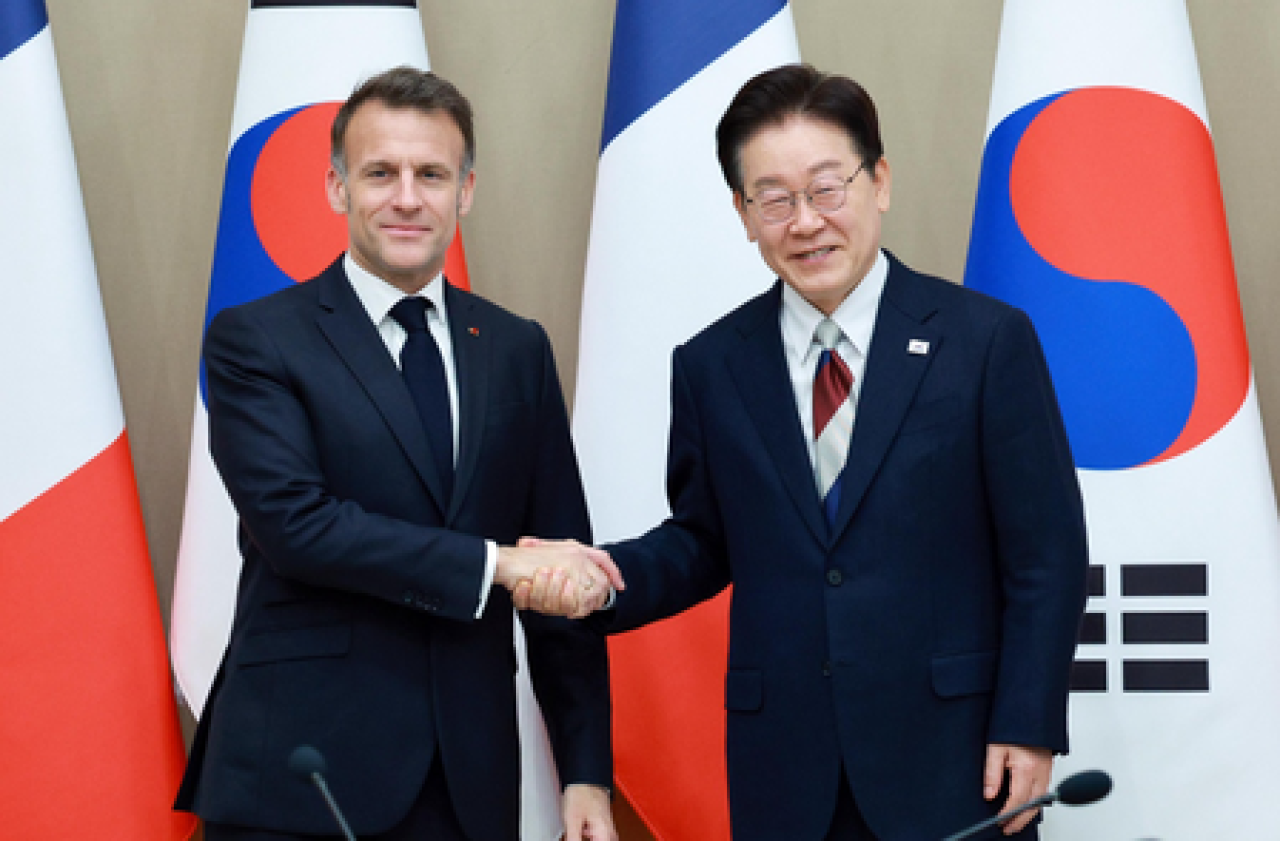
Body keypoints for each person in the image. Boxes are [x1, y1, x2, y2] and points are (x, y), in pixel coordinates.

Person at [528, 64, 1088, 840]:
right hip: (786, 768)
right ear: (743, 212)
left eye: (827, 188)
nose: (805, 222)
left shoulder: (985, 342)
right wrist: (600, 579)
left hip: (954, 758)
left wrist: (1029, 721)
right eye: (775, 199)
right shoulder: (712, 365)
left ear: (878, 181)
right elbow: (703, 542)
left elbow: (1046, 553)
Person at [175, 67, 620, 841]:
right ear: (337, 187)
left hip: (467, 783)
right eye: (380, 173)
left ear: (465, 191)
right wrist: (496, 564)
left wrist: (585, 770)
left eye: (432, 175)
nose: (407, 197)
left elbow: (556, 559)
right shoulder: (257, 339)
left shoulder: (516, 348)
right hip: (300, 775)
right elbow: (298, 527)